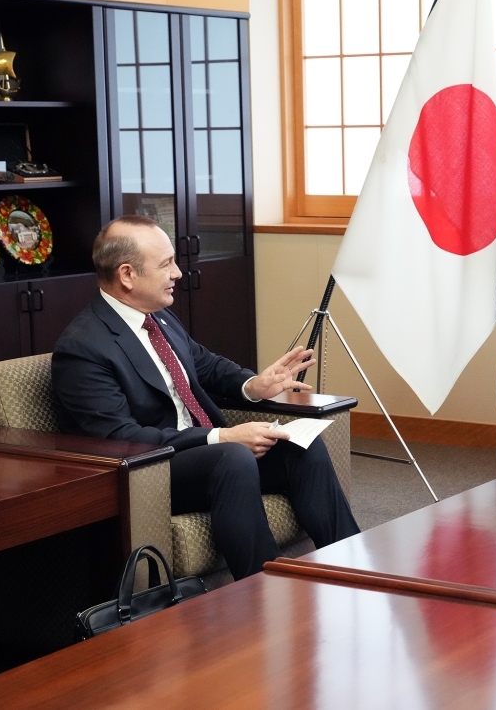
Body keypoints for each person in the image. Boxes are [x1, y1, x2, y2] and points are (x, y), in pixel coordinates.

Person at [52, 215, 359, 580]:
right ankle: (270, 591)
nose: (178, 273)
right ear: (127, 275)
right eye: (166, 264)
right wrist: (222, 436)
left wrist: (255, 384)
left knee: (301, 445)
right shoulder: (83, 348)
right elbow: (118, 437)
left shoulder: (158, 317)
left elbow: (205, 364)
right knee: (231, 457)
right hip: (154, 471)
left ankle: (353, 567)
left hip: (211, 455)